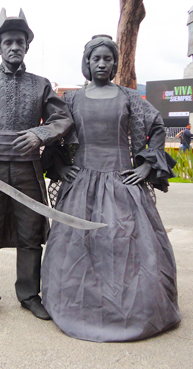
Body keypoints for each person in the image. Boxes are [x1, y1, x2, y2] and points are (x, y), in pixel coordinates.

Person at [41, 35, 180, 342]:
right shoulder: (71, 101)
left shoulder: (130, 98)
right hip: (82, 185)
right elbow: (54, 134)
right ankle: (79, 307)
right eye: (96, 59)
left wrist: (145, 167)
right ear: (87, 63)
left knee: (125, 243)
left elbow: (156, 127)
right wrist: (62, 168)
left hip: (122, 183)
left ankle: (132, 310)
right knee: (79, 247)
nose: (102, 63)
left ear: (115, 63)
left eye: (107, 58)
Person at [0, 9, 73, 326]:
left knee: (31, 233)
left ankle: (29, 295)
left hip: (27, 168)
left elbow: (62, 119)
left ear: (26, 46)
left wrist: (40, 133)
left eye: (20, 42)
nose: (14, 47)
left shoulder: (40, 85)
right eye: (8, 41)